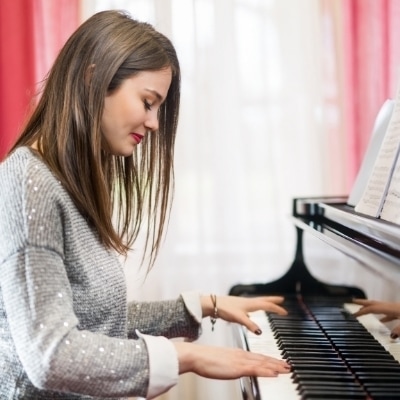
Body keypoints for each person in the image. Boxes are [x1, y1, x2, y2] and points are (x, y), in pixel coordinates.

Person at [0, 9, 291, 399]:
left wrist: (204, 305)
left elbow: (95, 322)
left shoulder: (63, 184)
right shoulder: (27, 183)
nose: (154, 123)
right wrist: (186, 357)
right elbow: (51, 355)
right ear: (92, 79)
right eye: (148, 101)